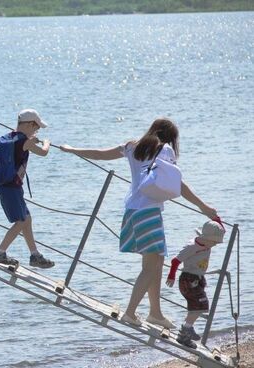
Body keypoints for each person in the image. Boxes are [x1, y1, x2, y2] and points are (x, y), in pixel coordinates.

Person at [59, 118, 218, 329]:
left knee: (155, 261)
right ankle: (131, 312)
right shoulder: (165, 150)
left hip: (132, 212)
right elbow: (178, 184)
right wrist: (203, 206)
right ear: (170, 137)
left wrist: (72, 149)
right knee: (151, 268)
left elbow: (100, 153)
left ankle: (155, 313)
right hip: (149, 212)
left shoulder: (133, 146)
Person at [0, 109, 55, 269]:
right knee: (21, 221)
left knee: (27, 218)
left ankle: (35, 255)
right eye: (36, 127)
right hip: (12, 189)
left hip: (6, 187)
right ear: (30, 124)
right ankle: (0, 252)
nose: (37, 130)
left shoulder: (11, 137)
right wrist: (47, 143)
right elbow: (43, 153)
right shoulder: (24, 141)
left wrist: (31, 140)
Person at [166, 219, 225, 348]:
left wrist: (216, 219)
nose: (215, 244)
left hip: (198, 278)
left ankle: (185, 334)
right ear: (206, 238)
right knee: (200, 304)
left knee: (200, 305)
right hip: (188, 280)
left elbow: (220, 229)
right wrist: (171, 276)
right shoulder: (192, 247)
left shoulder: (207, 243)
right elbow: (175, 261)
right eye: (214, 241)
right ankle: (186, 330)